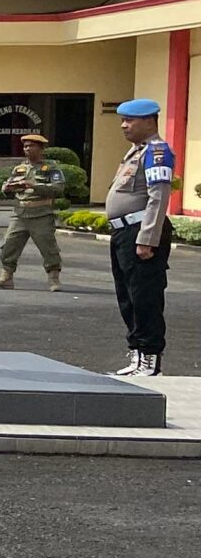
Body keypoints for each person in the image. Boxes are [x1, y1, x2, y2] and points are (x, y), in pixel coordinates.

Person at [102, 99, 177, 377]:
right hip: (123, 233)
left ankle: (150, 358)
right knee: (127, 297)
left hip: (140, 232)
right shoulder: (135, 152)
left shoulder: (157, 151)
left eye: (130, 120)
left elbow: (158, 198)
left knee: (145, 297)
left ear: (149, 121)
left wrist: (148, 238)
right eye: (122, 120)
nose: (124, 125)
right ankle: (136, 354)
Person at [0, 131, 67, 292]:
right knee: (9, 244)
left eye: (31, 146)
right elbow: (6, 188)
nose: (27, 149)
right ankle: (6, 276)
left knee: (48, 247)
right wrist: (7, 188)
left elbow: (58, 189)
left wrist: (33, 185)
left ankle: (53, 278)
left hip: (41, 214)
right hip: (20, 213)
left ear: (41, 148)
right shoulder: (19, 169)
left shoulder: (51, 168)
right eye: (25, 146)